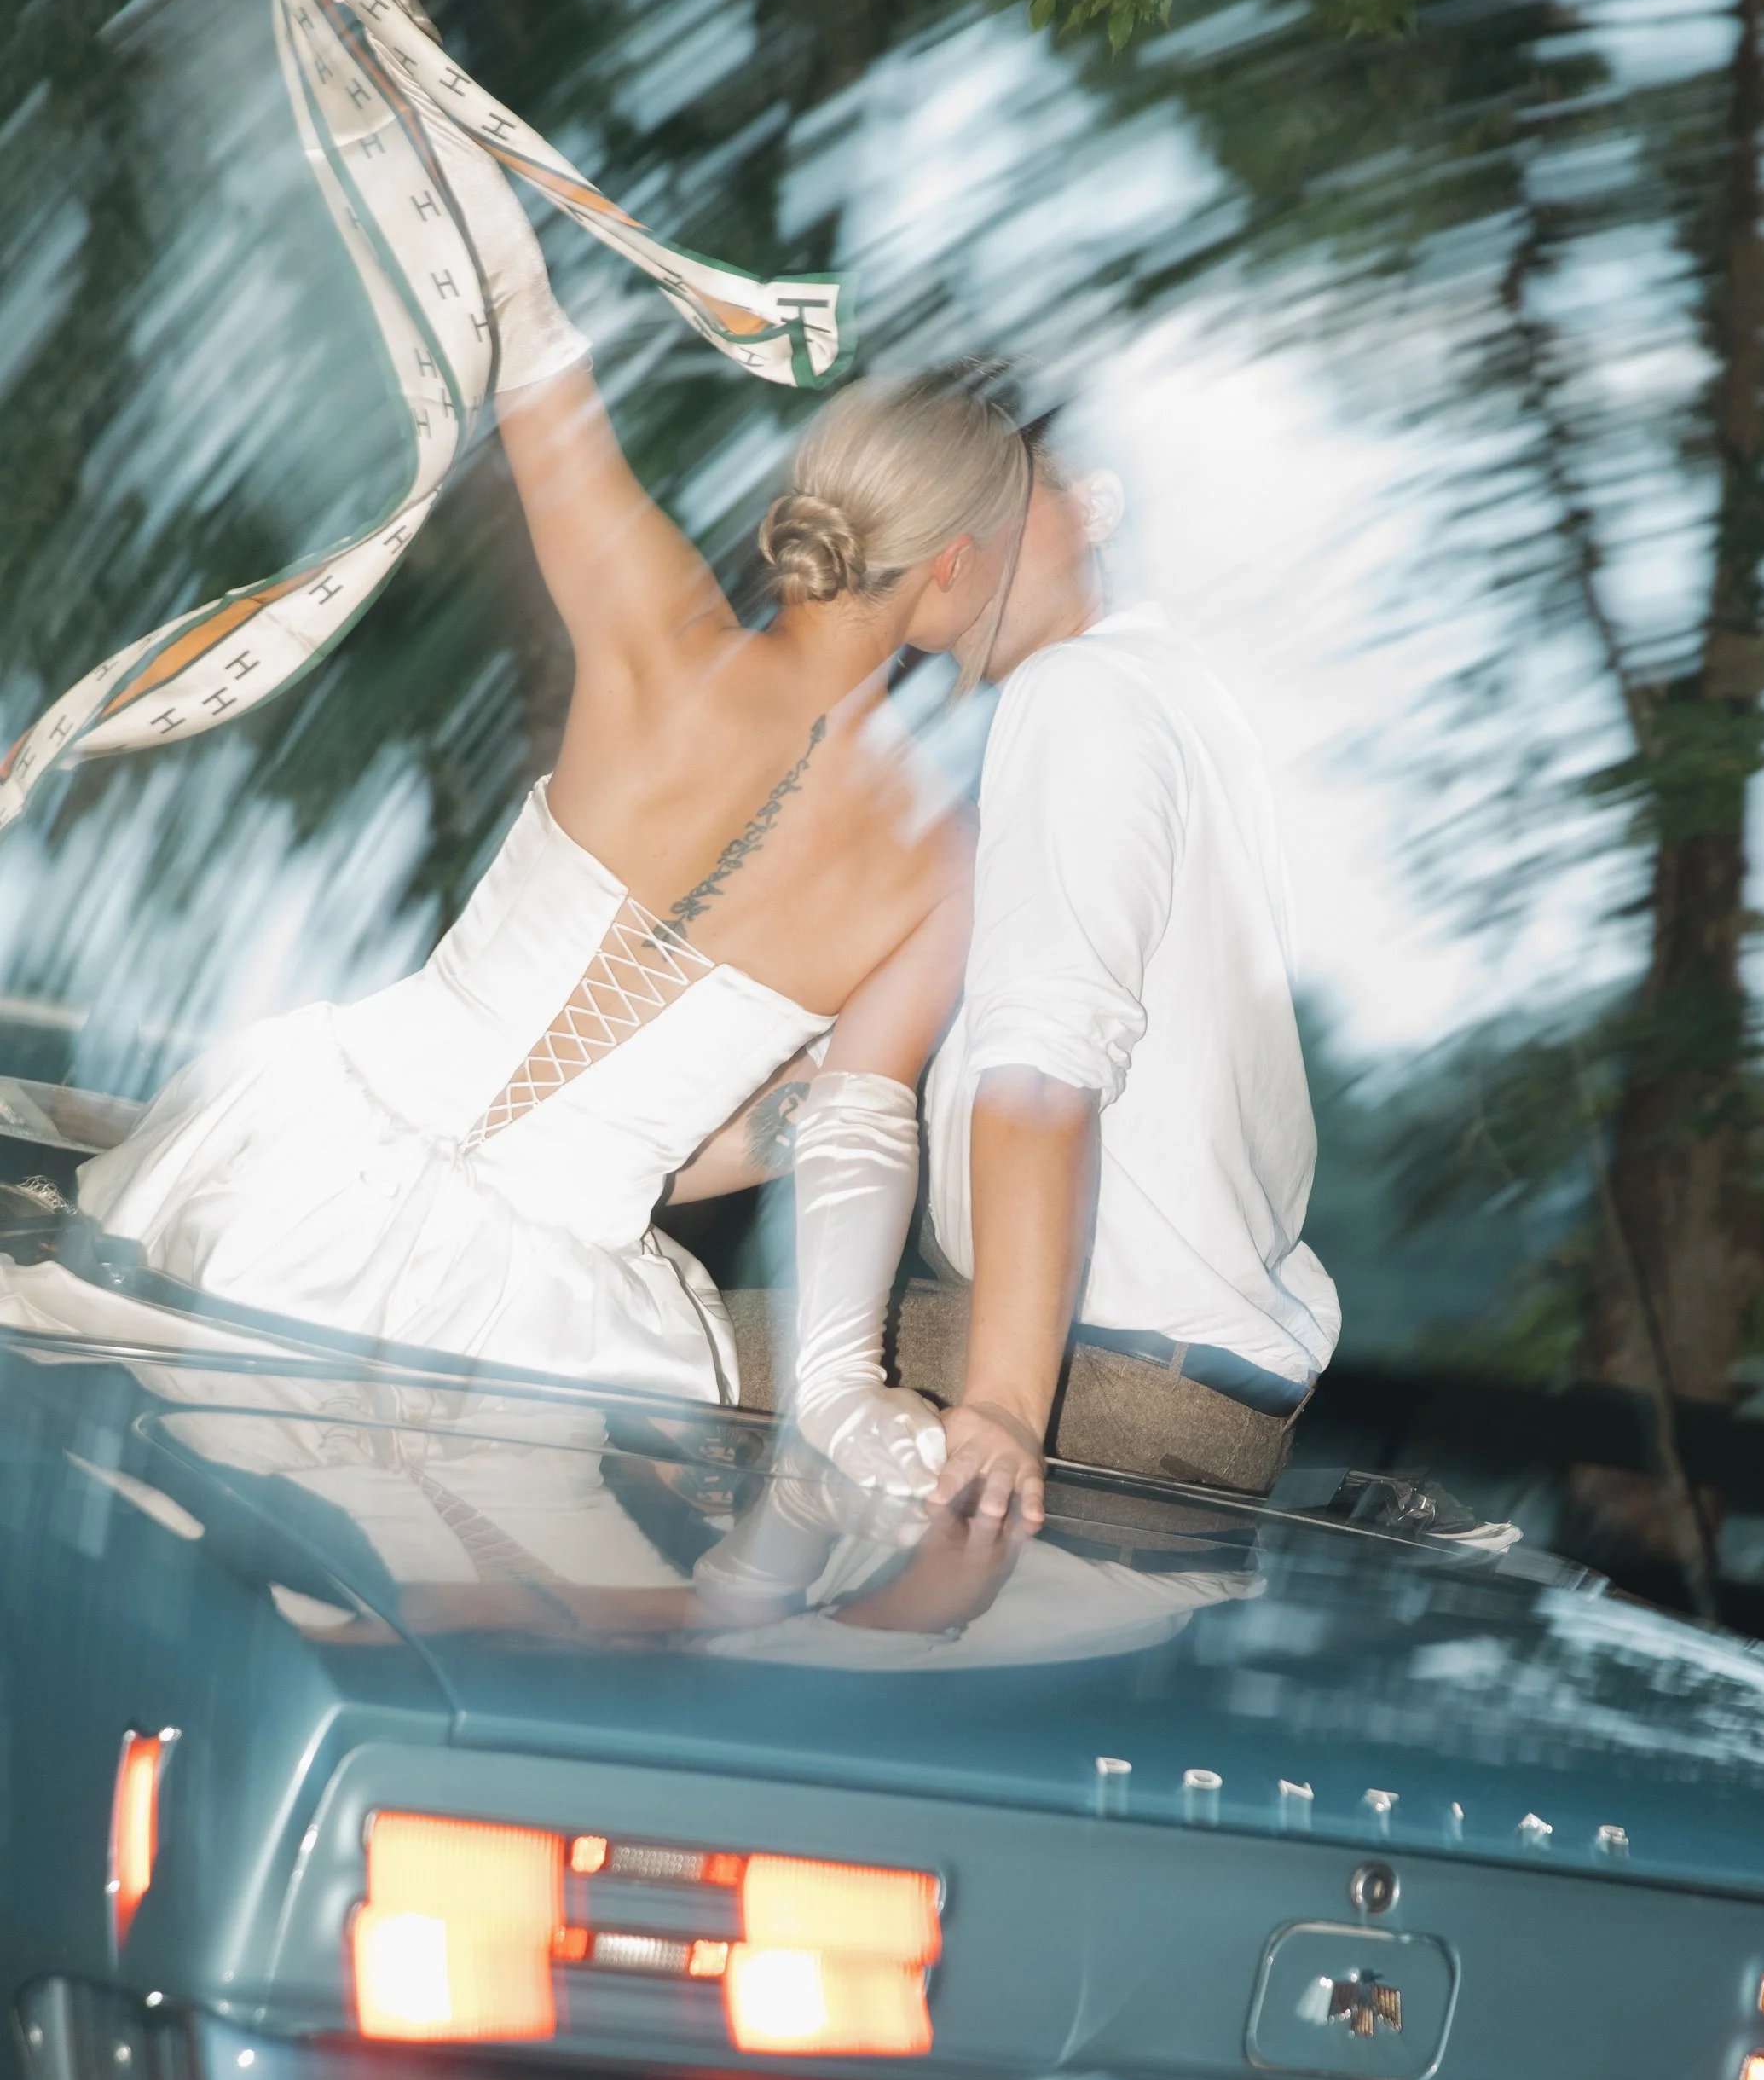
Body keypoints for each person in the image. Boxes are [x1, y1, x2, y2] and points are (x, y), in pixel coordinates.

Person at [4, 133, 1038, 1500]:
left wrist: (400, 89)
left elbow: (518, 326)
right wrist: (844, 1397)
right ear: (955, 565)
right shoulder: (938, 867)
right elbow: (858, 1132)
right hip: (539, 1318)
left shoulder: (662, 636)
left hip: (294, 1164)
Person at [911, 442, 1340, 1527]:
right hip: (1176, 1386)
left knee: (640, 1377)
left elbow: (1046, 1069)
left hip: (1093, 1390)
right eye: (917, 529)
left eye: (995, 495)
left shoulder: (1080, 689)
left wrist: (1005, 1410)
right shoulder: (1173, 697)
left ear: (1091, 499)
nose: (959, 550)